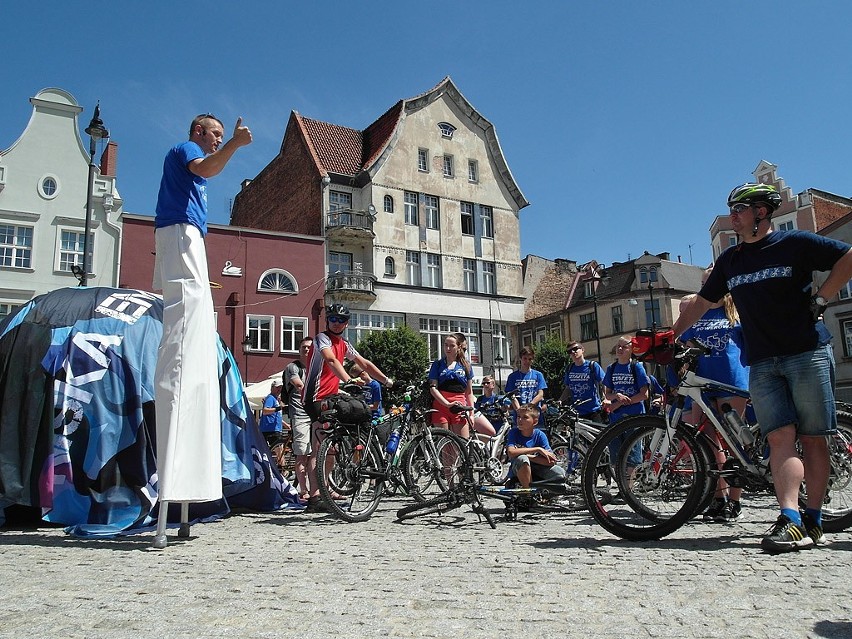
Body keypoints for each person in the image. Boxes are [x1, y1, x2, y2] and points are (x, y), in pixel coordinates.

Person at [673, 182, 852, 552]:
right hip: (763, 361)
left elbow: (847, 257)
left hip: (807, 352)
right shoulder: (731, 260)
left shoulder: (794, 243)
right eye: (732, 210)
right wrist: (669, 336)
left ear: (761, 212)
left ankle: (814, 519)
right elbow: (701, 304)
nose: (733, 216)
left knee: (814, 439)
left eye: (740, 209)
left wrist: (822, 297)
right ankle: (790, 518)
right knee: (778, 438)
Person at [151, 113, 251, 547]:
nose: (216, 141)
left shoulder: (193, 165)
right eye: (213, 134)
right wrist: (235, 145)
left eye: (219, 136)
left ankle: (186, 502)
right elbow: (205, 166)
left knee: (192, 323)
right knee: (185, 322)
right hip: (180, 232)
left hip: (187, 235)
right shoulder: (185, 150)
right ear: (198, 132)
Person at [302, 304, 394, 512]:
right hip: (315, 397)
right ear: (328, 320)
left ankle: (325, 489)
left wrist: (387, 381)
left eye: (340, 320)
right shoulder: (321, 338)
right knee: (320, 445)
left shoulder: (344, 342)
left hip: (332, 397)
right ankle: (315, 496)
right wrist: (347, 380)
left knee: (331, 447)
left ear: (347, 322)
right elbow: (330, 359)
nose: (336, 323)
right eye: (332, 319)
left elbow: (364, 363)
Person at [679, 265, 749, 524]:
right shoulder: (697, 313)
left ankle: (735, 500)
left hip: (732, 381)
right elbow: (684, 343)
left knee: (733, 442)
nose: (708, 288)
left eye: (712, 282)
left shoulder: (736, 311)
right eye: (704, 283)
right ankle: (718, 499)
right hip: (702, 384)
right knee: (707, 444)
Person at [602, 337, 650, 470]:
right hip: (615, 419)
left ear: (631, 350)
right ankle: (620, 487)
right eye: (618, 346)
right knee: (616, 457)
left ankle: (628, 488)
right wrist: (616, 396)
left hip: (634, 418)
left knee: (632, 458)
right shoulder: (611, 368)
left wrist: (620, 403)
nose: (620, 349)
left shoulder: (636, 367)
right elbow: (608, 394)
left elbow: (644, 395)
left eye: (624, 347)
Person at [428, 333, 477, 439]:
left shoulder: (466, 365)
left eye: (452, 345)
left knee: (462, 443)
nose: (448, 348)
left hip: (459, 406)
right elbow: (433, 388)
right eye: (446, 345)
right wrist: (447, 403)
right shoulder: (437, 364)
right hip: (441, 406)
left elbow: (469, 392)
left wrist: (472, 414)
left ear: (459, 347)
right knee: (444, 445)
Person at [506, 404, 566, 489]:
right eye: (518, 416)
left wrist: (527, 455)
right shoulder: (514, 432)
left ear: (535, 422)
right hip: (519, 469)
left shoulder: (540, 435)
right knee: (523, 459)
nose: (520, 420)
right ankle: (529, 493)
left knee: (560, 473)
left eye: (525, 417)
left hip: (538, 469)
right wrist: (538, 449)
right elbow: (511, 452)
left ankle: (549, 497)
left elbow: (551, 461)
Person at [285, 337, 313, 503]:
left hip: (315, 414)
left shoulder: (316, 367)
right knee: (302, 454)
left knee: (321, 453)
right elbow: (299, 385)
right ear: (299, 349)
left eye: (309, 347)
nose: (307, 350)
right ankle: (303, 490)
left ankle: (324, 488)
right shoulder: (293, 367)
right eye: (304, 347)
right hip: (300, 414)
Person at [558, 341, 607, 423]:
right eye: (569, 351)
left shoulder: (592, 366)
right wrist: (560, 400)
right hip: (577, 412)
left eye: (575, 349)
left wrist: (606, 398)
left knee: (598, 435)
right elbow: (568, 388)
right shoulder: (569, 369)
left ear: (582, 350)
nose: (573, 352)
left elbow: (604, 382)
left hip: (593, 410)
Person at [505, 346, 548, 425]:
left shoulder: (538, 375)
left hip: (534, 414)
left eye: (530, 359)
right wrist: (519, 410)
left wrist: (530, 405)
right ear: (521, 358)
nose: (527, 361)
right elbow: (511, 395)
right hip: (519, 415)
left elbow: (540, 394)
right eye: (525, 358)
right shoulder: (512, 376)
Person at [259, 379, 286, 470]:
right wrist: (278, 408)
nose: (279, 389)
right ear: (272, 388)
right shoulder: (271, 398)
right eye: (277, 388)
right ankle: (283, 470)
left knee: (279, 450)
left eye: (280, 388)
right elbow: (265, 411)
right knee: (279, 450)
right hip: (270, 429)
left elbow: (276, 416)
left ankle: (281, 469)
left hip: (274, 428)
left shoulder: (275, 399)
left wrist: (286, 425)